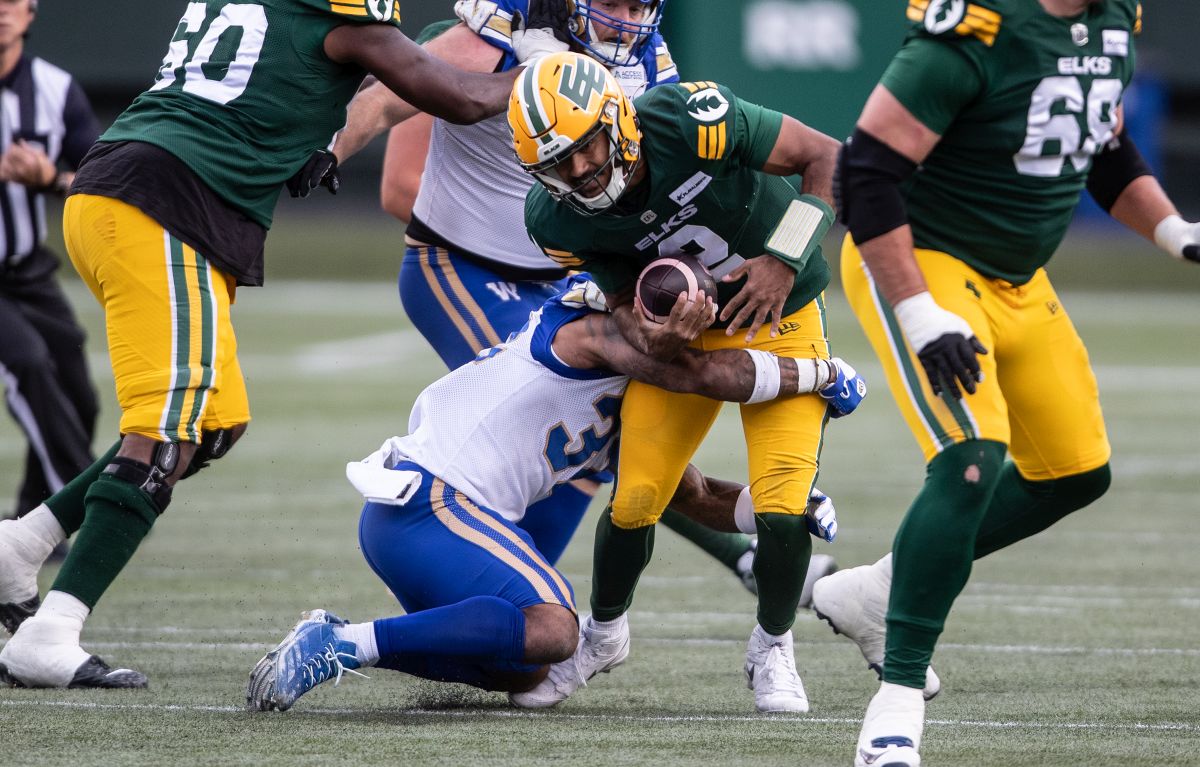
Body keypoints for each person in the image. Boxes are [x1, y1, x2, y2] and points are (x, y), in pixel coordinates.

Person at [0, 0, 574, 690]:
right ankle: (51, 632)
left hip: (147, 197)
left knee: (211, 427)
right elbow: (457, 95)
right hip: (162, 205)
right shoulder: (341, 15)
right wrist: (549, 73)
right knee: (164, 434)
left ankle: (21, 543)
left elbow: (277, 79)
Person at [327, 1, 831, 597]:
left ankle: (513, 593)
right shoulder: (496, 32)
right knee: (587, 427)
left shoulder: (649, 68)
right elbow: (395, 171)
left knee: (605, 431)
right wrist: (328, 149)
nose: (625, 18)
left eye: (636, 4)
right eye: (611, 2)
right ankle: (742, 543)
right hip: (465, 264)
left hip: (572, 281)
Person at [819, 1, 1199, 764]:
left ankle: (879, 590)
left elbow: (1103, 149)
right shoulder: (977, 28)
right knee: (972, 456)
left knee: (1075, 471)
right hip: (924, 260)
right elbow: (865, 174)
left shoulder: (1114, 19)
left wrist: (1176, 231)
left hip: (1017, 278)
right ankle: (895, 704)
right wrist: (919, 312)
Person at [247, 275, 851, 712]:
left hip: (422, 516)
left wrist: (782, 506)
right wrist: (820, 373)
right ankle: (343, 644)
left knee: (529, 668)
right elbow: (705, 374)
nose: (679, 324)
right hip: (430, 502)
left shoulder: (635, 384)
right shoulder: (586, 331)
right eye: (665, 307)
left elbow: (692, 495)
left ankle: (346, 639)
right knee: (556, 629)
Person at [511, 52, 857, 714]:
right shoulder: (553, 219)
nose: (578, 172)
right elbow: (621, 304)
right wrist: (655, 337)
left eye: (585, 149)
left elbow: (826, 156)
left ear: (617, 122)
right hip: (688, 333)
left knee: (782, 507)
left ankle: (773, 643)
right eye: (558, 164)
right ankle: (603, 635)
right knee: (637, 496)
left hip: (778, 312)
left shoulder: (688, 121)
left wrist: (783, 259)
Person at [0, 0, 99, 550]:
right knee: (30, 364)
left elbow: (98, 178)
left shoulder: (55, 88)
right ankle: (93, 500)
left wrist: (49, 178)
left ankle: (27, 524)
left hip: (29, 270)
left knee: (79, 394)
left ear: (32, 12)